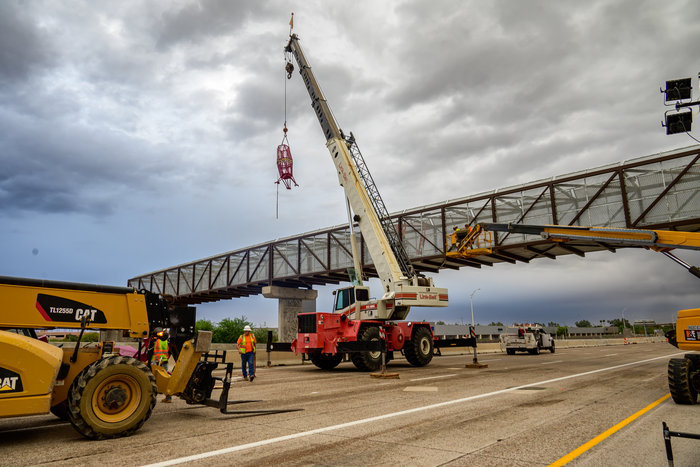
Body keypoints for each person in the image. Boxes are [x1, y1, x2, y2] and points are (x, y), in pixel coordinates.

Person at [151, 331, 172, 402]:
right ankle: (168, 397)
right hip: (165, 360)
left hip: (156, 361)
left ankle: (151, 397)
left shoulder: (155, 340)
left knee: (152, 379)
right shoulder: (167, 341)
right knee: (165, 379)